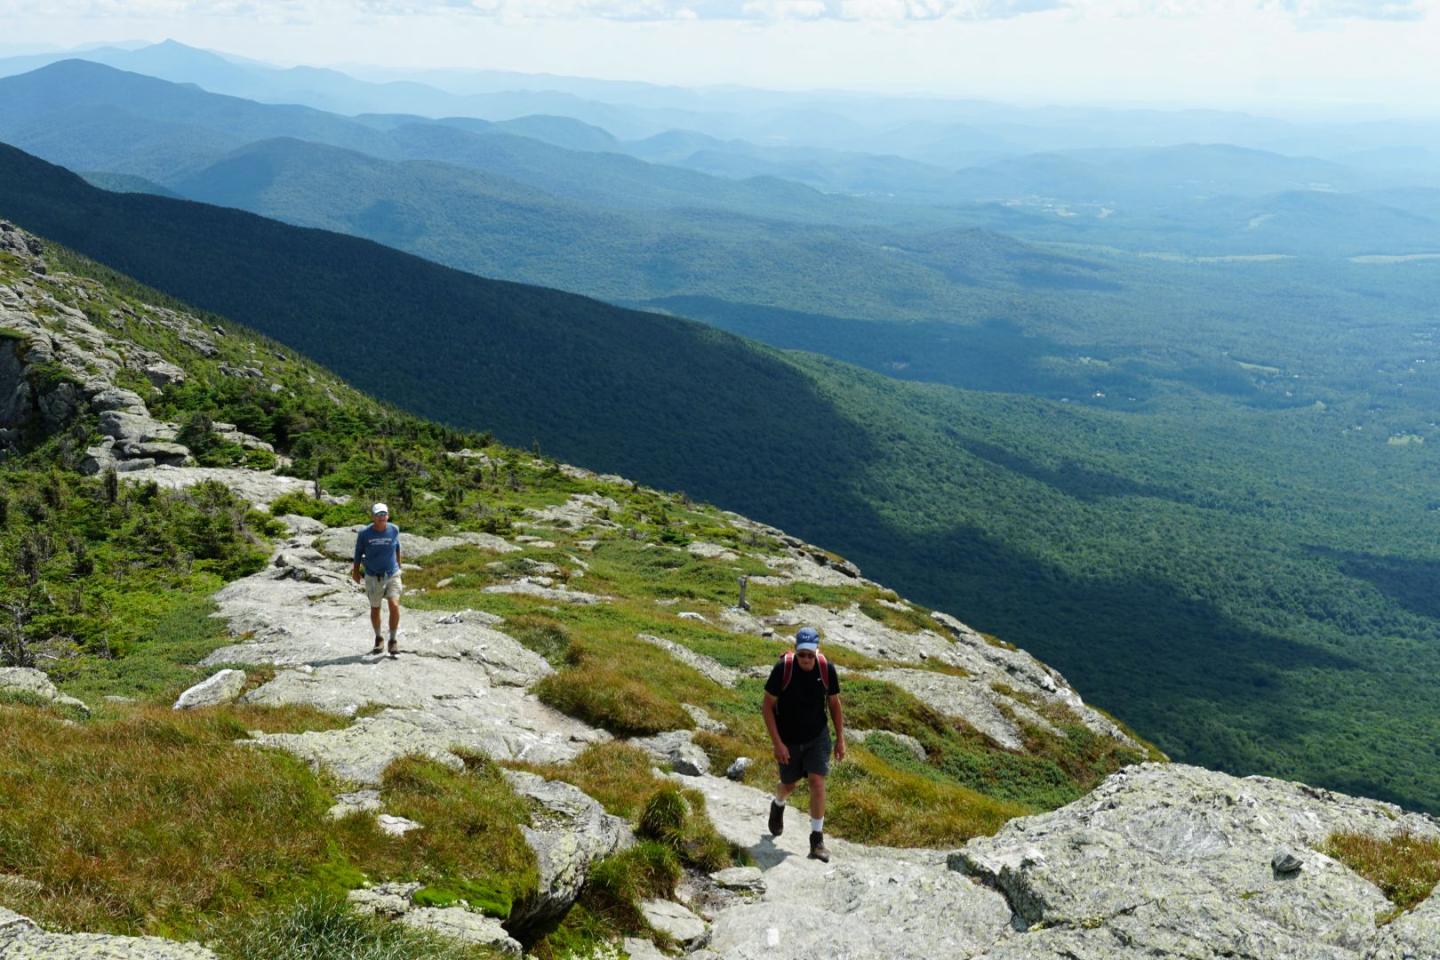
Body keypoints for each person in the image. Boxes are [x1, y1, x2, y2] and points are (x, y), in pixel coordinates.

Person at [762, 626, 845, 862]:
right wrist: (777, 743)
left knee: (817, 781)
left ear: (816, 652)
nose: (806, 660)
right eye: (802, 655)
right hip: (788, 738)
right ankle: (778, 804)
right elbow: (767, 706)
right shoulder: (783, 669)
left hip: (817, 736)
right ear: (796, 652)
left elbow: (834, 704)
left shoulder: (826, 669)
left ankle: (816, 841)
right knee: (789, 785)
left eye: (810, 654)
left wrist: (840, 739)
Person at [351, 502, 403, 657]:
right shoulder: (365, 533)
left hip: (392, 574)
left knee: (394, 605)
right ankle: (379, 638)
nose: (382, 517)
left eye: (384, 514)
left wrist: (399, 565)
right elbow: (358, 552)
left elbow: (397, 547)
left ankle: (392, 640)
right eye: (378, 515)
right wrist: (355, 571)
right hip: (373, 576)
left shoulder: (394, 529)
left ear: (388, 515)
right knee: (375, 608)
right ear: (373, 517)